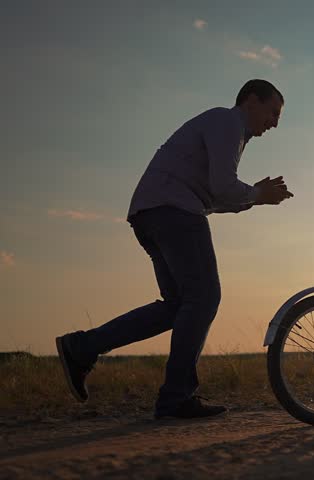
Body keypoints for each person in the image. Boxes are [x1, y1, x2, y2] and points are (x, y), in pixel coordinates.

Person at [56, 79, 292, 419]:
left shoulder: (223, 128)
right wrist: (256, 195)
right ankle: (176, 397)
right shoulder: (227, 122)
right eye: (273, 112)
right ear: (251, 100)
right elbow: (223, 187)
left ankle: (82, 347)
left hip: (151, 213)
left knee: (177, 307)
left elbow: (214, 196)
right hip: (174, 212)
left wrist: (254, 197)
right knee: (204, 298)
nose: (275, 123)